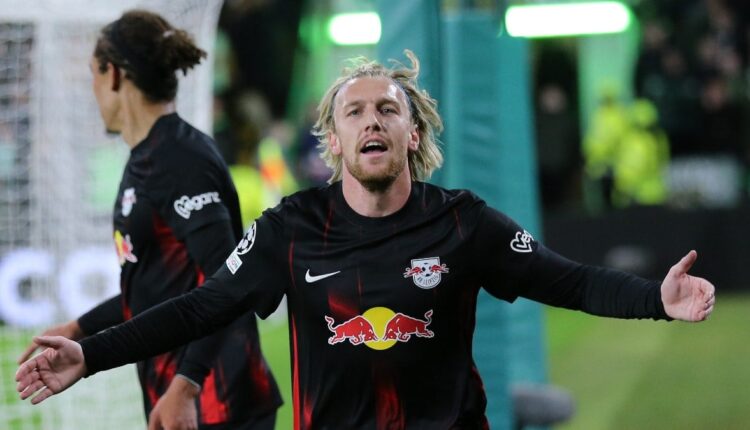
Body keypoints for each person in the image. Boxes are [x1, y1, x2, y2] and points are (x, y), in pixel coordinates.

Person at [16, 50, 715, 429]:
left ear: (413, 134)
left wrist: (656, 299)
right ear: (334, 140)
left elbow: (572, 280)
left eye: (387, 109)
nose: (372, 119)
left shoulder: (464, 222)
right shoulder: (288, 229)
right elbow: (203, 305)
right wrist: (91, 353)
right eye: (354, 112)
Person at [16, 10, 281, 430]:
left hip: (218, 403)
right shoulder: (149, 156)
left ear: (114, 75)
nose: (92, 90)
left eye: (93, 74)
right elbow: (156, 289)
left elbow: (229, 284)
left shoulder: (181, 160)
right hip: (180, 397)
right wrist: (80, 327)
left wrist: (187, 385)